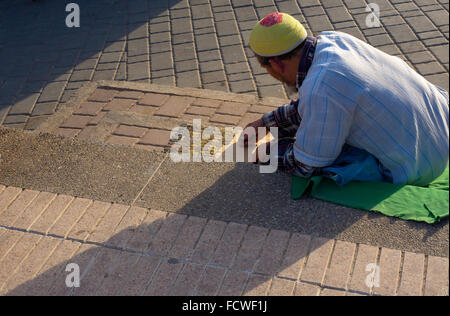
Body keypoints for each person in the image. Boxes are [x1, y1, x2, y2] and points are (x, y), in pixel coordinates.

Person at [244, 12, 449, 186]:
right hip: (442, 129)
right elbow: (313, 106)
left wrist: (268, 152)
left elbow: (307, 165)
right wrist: (265, 123)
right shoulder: (334, 40)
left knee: (330, 158)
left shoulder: (321, 88)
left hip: (419, 167)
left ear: (276, 64)